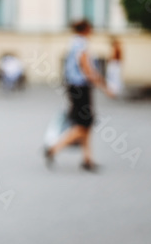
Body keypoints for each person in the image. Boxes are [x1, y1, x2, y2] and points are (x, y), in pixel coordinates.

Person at [46, 19, 113, 171]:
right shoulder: (81, 44)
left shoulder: (73, 42)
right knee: (83, 124)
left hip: (74, 87)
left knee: (86, 123)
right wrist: (104, 86)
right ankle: (53, 148)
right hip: (80, 88)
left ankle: (87, 159)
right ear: (86, 29)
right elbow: (87, 69)